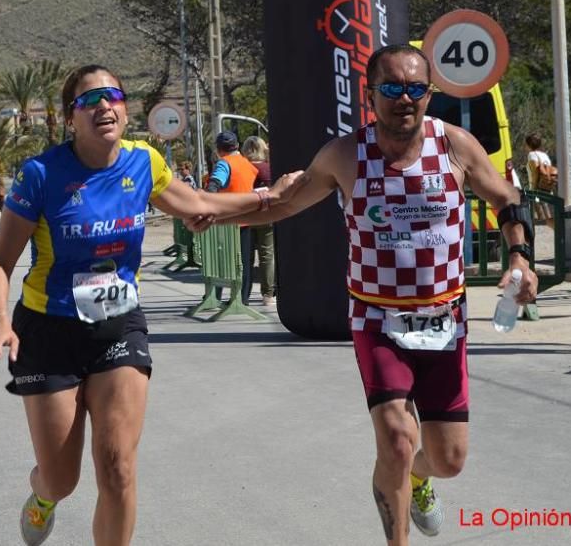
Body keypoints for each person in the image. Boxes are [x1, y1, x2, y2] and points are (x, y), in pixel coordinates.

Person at [194, 45, 538, 545]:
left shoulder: (456, 146)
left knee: (449, 459)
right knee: (397, 442)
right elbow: (282, 208)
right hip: (378, 319)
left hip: (444, 319)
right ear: (369, 94)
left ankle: (421, 480)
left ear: (429, 93)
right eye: (392, 89)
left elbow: (507, 199)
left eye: (416, 89)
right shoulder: (345, 155)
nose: (405, 99)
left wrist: (520, 259)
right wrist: (214, 215)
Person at [0, 64, 302, 546]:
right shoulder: (41, 175)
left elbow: (197, 205)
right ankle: (43, 495)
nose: (104, 106)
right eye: (89, 101)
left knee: (118, 471)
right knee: (61, 478)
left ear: (125, 108)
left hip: (117, 325)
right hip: (47, 331)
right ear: (72, 118)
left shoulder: (144, 162)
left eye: (113, 95)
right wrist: (0, 322)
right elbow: (0, 262)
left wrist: (267, 197)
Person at [206, 130, 260, 304]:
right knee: (244, 262)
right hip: (247, 218)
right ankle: (242, 299)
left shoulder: (224, 163)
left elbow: (215, 184)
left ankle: (216, 295)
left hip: (227, 220)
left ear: (219, 149)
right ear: (237, 145)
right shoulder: (247, 164)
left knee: (221, 260)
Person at [241, 135, 276, 306]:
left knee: (245, 257)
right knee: (267, 255)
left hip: (246, 216)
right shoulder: (268, 169)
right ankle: (267, 294)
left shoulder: (243, 168)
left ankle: (244, 295)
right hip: (266, 215)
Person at [524, 133, 554, 227]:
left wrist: (533, 189)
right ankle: (562, 234)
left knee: (538, 218)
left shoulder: (532, 155)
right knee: (548, 219)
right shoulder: (544, 155)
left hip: (537, 191)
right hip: (548, 189)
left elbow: (535, 172)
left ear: (529, 144)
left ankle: (563, 235)